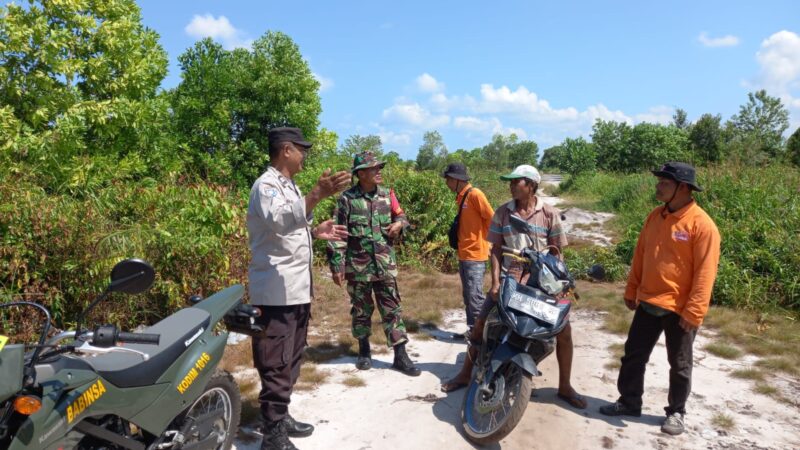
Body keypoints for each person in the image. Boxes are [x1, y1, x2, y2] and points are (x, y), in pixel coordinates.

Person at [441, 164, 586, 410]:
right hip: (511, 279)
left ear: (531, 185)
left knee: (564, 331)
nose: (510, 185)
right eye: (510, 181)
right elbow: (495, 250)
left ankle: (565, 386)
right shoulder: (503, 213)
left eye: (515, 181)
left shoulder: (549, 214)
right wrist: (496, 281)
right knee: (480, 323)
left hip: (542, 282)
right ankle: (466, 372)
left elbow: (558, 252)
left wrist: (557, 284)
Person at [247, 127, 351, 450]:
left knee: (291, 358)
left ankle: (282, 415)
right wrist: (317, 195)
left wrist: (314, 230)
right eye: (301, 149)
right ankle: (272, 435)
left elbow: (287, 229)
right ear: (287, 150)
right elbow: (278, 222)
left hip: (295, 289)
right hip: (275, 293)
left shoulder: (289, 186)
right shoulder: (266, 186)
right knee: (275, 361)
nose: (305, 155)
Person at [599, 162, 721, 436]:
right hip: (649, 302)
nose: (658, 186)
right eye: (660, 181)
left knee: (679, 364)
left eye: (664, 182)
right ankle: (629, 402)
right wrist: (632, 289)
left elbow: (706, 272)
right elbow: (641, 254)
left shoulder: (702, 225)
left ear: (683, 187)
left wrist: (695, 311)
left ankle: (676, 412)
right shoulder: (655, 216)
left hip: (679, 309)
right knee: (633, 355)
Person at [326, 151, 421, 377]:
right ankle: (364, 350)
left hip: (385, 264)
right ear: (360, 174)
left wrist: (400, 225)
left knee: (392, 309)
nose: (378, 171)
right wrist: (337, 266)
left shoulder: (388, 195)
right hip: (358, 267)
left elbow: (402, 217)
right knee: (361, 310)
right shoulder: (347, 200)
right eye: (373, 168)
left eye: (379, 167)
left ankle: (400, 355)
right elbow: (338, 235)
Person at [441, 163, 495, 337]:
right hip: (465, 254)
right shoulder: (462, 197)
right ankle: (473, 331)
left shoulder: (475, 195)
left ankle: (481, 335)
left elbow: (492, 218)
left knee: (475, 297)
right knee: (468, 296)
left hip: (476, 255)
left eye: (448, 179)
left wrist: (487, 242)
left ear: (457, 180)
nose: (446, 183)